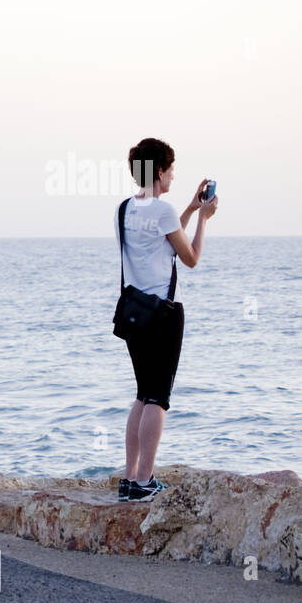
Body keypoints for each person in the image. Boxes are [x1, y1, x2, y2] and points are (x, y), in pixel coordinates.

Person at [115, 138, 217, 502]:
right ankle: (144, 481)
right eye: (171, 169)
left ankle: (129, 477)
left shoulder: (125, 209)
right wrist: (203, 219)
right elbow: (189, 258)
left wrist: (189, 208)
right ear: (159, 171)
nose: (173, 174)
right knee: (158, 398)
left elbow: (162, 237)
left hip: (132, 314)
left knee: (142, 394)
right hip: (161, 316)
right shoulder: (162, 211)